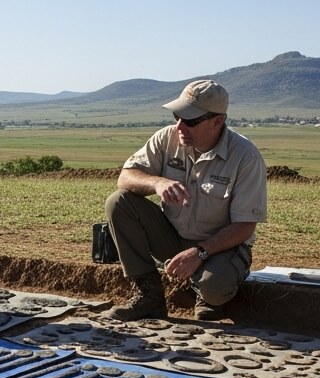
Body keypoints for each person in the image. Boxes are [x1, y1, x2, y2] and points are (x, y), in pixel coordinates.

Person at [105, 79, 267, 322]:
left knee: (214, 287)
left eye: (190, 120)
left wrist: (199, 254)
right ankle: (148, 296)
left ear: (217, 121)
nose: (180, 126)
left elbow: (245, 227)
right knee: (119, 202)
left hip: (220, 247)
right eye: (177, 116)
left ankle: (207, 294)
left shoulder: (246, 157)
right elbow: (125, 177)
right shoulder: (166, 138)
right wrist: (157, 183)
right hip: (173, 235)